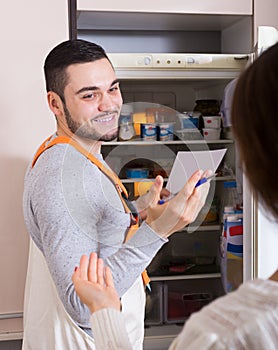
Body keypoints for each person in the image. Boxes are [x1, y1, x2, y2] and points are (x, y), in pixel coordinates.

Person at [72, 42, 278, 349]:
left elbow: (77, 303)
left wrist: (103, 311)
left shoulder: (228, 332)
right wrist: (140, 212)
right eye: (90, 94)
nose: (107, 105)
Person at [22, 39, 211, 350]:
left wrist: (138, 212)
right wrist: (158, 230)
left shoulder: (76, 154)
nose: (108, 104)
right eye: (89, 95)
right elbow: (83, 306)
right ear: (55, 104)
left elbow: (87, 228)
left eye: (112, 89)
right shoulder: (62, 176)